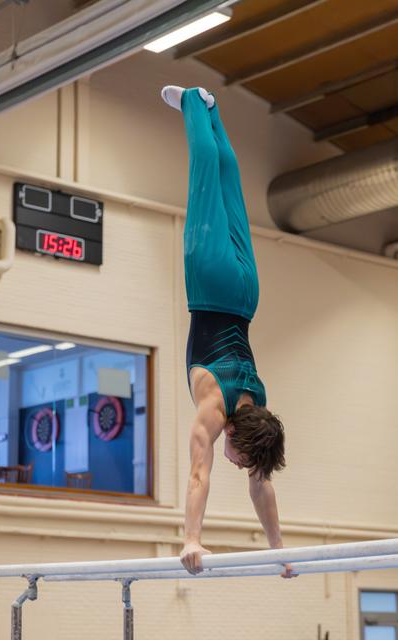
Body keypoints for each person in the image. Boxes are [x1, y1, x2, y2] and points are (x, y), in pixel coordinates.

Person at [161, 86, 297, 580]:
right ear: (234, 433)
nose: (240, 466)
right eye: (242, 459)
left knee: (231, 193)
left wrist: (280, 551)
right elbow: (200, 475)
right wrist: (191, 539)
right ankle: (194, 104)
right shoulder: (214, 410)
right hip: (210, 282)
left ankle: (215, 115)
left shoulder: (256, 408)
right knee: (204, 183)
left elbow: (262, 484)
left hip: (246, 295)